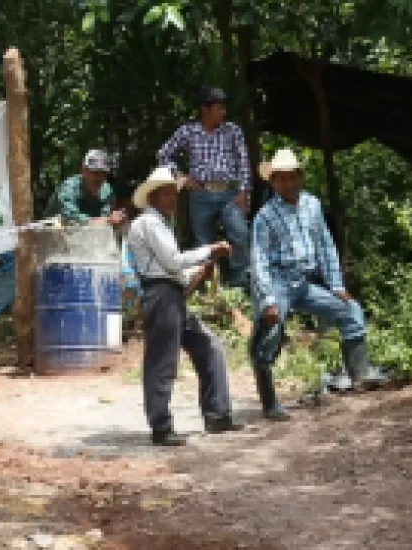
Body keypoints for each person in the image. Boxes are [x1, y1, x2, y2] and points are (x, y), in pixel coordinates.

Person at [250, 148, 389, 421]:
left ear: (300, 177)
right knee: (270, 332)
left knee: (350, 310)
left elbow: (326, 246)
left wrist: (336, 284)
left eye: (292, 177)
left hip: (304, 281)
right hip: (277, 280)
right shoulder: (265, 216)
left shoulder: (312, 205)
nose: (288, 183)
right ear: (273, 181)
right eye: (281, 179)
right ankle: (269, 403)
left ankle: (360, 374)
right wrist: (266, 299)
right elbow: (259, 260)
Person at [128, 167, 242, 446]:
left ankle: (217, 414)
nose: (171, 199)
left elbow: (175, 270)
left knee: (209, 345)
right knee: (163, 360)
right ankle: (161, 427)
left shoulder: (160, 225)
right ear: (153, 196)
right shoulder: (150, 223)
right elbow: (172, 262)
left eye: (173, 193)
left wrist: (200, 268)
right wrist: (209, 251)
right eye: (165, 194)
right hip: (162, 295)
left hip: (170, 293)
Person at [157, 86, 251, 289]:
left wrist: (244, 191)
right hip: (200, 193)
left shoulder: (232, 130)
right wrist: (181, 177)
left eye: (224, 108)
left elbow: (243, 161)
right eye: (219, 107)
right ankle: (211, 288)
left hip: (229, 192)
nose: (223, 112)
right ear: (205, 109)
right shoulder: (188, 131)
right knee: (204, 244)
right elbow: (163, 154)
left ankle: (239, 284)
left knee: (240, 234)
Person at [44, 149, 126, 227]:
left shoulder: (107, 191)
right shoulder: (68, 189)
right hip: (52, 231)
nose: (99, 178)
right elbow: (71, 219)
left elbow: (104, 218)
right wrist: (107, 220)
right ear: (83, 171)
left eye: (103, 174)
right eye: (95, 173)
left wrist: (114, 220)